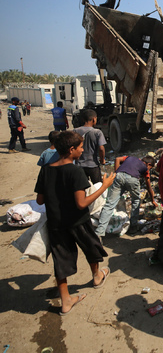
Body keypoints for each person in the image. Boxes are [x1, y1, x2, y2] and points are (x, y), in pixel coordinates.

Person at [34, 131, 116, 315]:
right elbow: (81, 203)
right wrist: (104, 186)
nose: (82, 150)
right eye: (80, 148)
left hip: (56, 223)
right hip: (78, 221)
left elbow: (40, 200)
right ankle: (96, 276)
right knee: (91, 247)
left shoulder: (46, 169)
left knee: (60, 261)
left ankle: (66, 301)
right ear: (71, 150)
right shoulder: (75, 171)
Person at [95, 155, 157, 237]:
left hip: (119, 176)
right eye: (150, 167)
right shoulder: (145, 168)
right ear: (148, 164)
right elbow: (148, 185)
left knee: (110, 204)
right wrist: (152, 200)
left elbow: (117, 158)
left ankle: (99, 232)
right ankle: (133, 227)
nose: (149, 169)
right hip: (133, 179)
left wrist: (116, 173)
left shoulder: (130, 157)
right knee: (136, 201)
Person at [74, 109, 107, 184]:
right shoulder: (97, 132)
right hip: (93, 165)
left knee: (82, 187)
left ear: (83, 119)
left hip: (79, 165)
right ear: (94, 119)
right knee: (97, 187)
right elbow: (101, 149)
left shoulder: (75, 131)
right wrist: (102, 160)